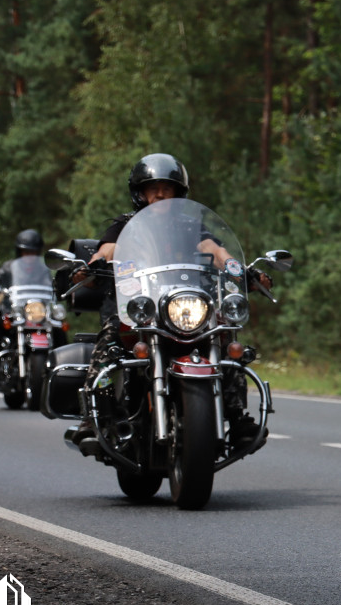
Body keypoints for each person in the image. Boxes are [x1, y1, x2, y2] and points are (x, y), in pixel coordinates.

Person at [69, 153, 269, 451]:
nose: (160, 194)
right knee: (109, 344)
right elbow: (108, 250)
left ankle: (237, 416)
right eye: (153, 188)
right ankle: (93, 416)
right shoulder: (124, 226)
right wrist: (91, 265)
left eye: (167, 188)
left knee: (226, 342)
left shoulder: (192, 227)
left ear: (179, 193)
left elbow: (215, 251)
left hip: (185, 306)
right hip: (137, 309)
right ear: (140, 193)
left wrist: (243, 271)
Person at [0, 229, 44, 374]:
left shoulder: (43, 269)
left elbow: (53, 284)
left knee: (59, 329)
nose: (29, 256)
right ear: (19, 252)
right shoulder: (9, 267)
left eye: (33, 252)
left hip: (36, 312)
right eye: (26, 252)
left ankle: (62, 366)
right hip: (12, 310)